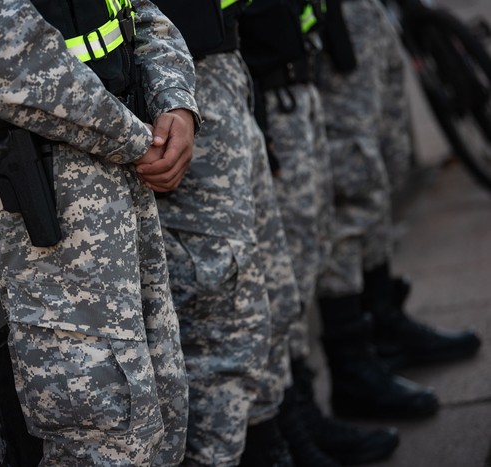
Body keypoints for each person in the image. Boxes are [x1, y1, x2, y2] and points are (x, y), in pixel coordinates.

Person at [0, 0, 202, 464]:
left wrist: (176, 103)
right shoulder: (128, 143)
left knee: (159, 420)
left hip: (124, 169)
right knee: (101, 438)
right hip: (47, 197)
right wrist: (140, 141)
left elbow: (137, 9)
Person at [239, 1, 400, 465]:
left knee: (306, 253)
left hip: (285, 64)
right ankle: (295, 420)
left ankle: (313, 402)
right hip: (255, 79)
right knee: (280, 266)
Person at [151, 0, 302, 464]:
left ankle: (273, 440)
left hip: (214, 60)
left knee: (267, 299)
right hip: (176, 77)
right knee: (222, 322)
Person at [315, 0, 481, 419]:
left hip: (363, 14)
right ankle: (354, 358)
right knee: (351, 178)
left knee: (384, 159)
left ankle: (384, 318)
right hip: (319, 21)